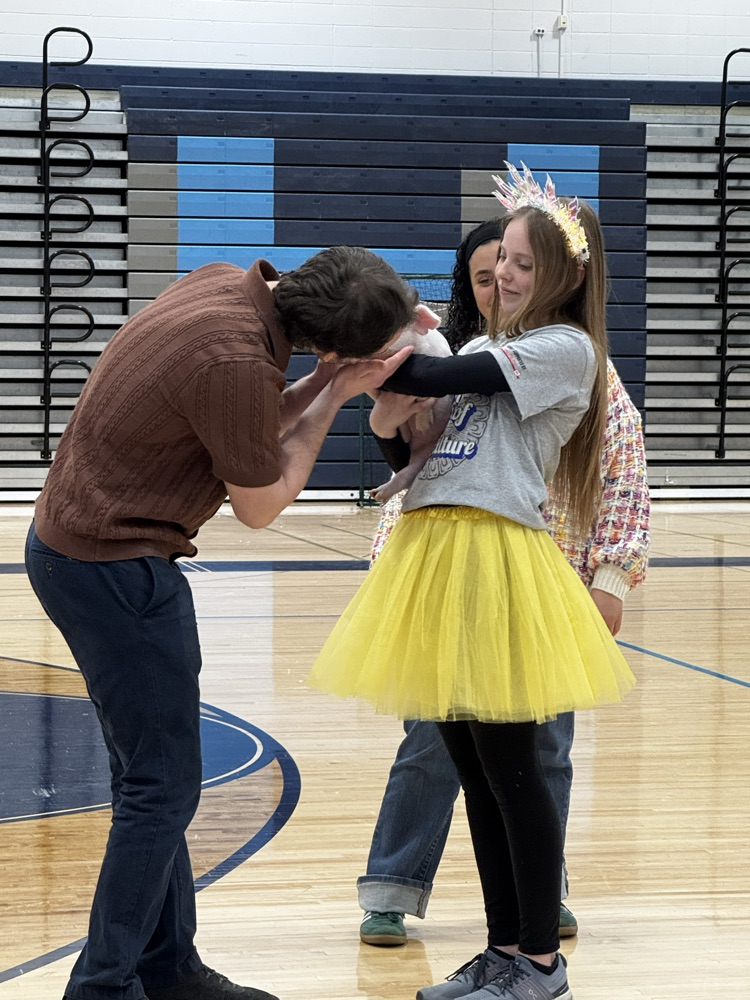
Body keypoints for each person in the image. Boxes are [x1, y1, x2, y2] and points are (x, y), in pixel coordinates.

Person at [24, 245, 420, 1000]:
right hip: (116, 568)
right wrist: (335, 397)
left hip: (71, 551)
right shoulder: (235, 360)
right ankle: (100, 987)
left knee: (152, 781)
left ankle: (169, 969)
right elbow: (261, 504)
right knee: (161, 791)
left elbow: (243, 414)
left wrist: (326, 379)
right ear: (335, 341)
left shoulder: (223, 289)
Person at [308, 165, 637, 1000]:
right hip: (435, 551)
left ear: (565, 273)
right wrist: (386, 411)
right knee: (474, 765)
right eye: (499, 265)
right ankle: (502, 952)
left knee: (515, 770)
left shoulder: (566, 351)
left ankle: (540, 961)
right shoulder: (489, 347)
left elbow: (427, 379)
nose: (507, 277)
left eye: (523, 263)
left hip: (495, 559)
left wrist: (371, 340)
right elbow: (413, 450)